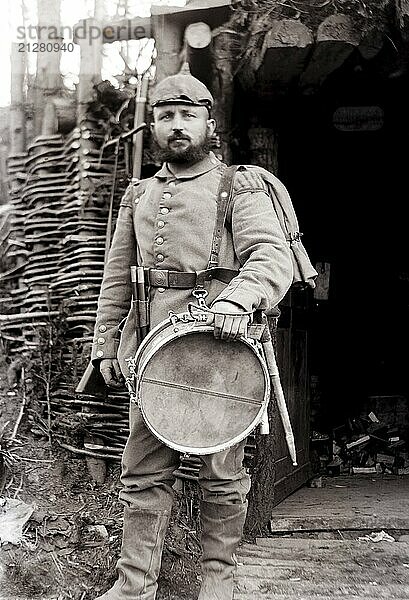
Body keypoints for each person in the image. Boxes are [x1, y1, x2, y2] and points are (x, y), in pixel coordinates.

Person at [91, 70, 293, 600]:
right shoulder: (138, 194)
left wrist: (237, 298)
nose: (177, 126)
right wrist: (105, 345)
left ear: (209, 123)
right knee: (142, 474)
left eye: (188, 115)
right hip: (154, 358)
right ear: (153, 125)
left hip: (221, 354)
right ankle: (133, 586)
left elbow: (272, 256)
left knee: (223, 477)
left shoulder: (238, 185)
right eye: (165, 116)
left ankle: (218, 584)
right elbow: (117, 277)